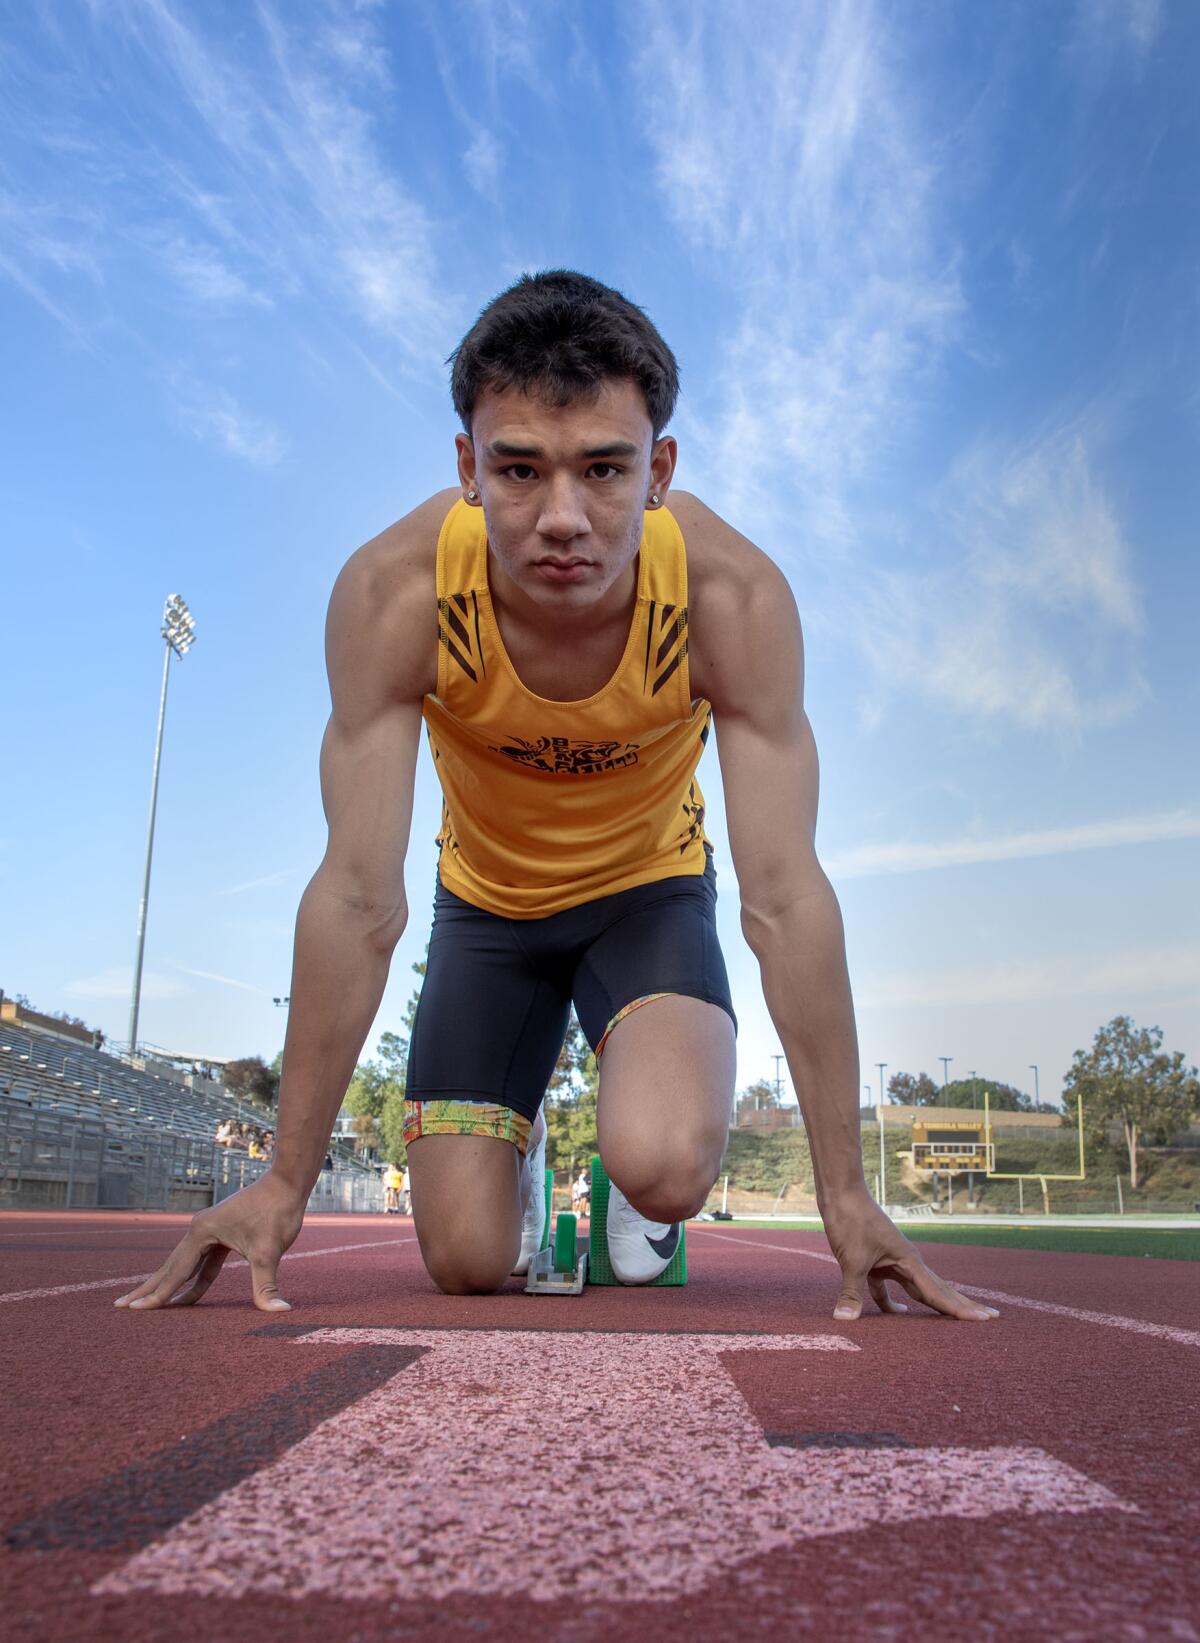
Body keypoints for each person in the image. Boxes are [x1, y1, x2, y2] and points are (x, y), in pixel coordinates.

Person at [116, 270, 996, 1323]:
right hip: (486, 908)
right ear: (467, 467)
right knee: (464, 1259)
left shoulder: (731, 599)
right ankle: (509, 1163)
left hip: (647, 893)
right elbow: (356, 896)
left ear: (659, 468)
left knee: (664, 1158)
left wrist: (846, 1195)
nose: (564, 518)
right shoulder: (394, 596)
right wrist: (281, 1182)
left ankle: (646, 1199)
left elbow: (786, 897)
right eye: (520, 469)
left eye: (606, 469)